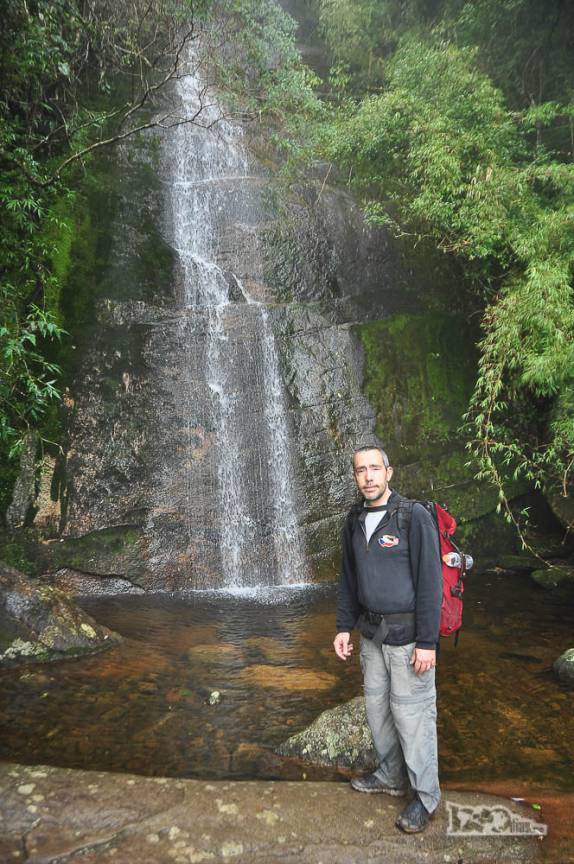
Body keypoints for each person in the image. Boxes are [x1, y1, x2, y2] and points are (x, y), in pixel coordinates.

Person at [333, 445, 442, 833]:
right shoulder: (353, 520)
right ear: (355, 476)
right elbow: (348, 580)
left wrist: (428, 641)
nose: (368, 476)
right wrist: (343, 626)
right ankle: (391, 775)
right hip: (371, 636)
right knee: (378, 711)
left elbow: (432, 583)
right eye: (361, 470)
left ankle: (426, 797)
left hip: (409, 638)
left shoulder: (413, 517)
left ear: (389, 472)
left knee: (412, 717)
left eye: (374, 468)